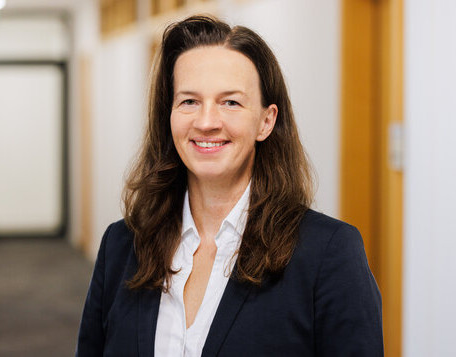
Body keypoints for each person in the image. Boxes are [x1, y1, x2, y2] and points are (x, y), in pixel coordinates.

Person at [76, 15, 383, 356]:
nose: (207, 122)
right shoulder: (121, 246)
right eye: (189, 101)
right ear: (170, 116)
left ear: (266, 121)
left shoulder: (328, 253)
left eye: (230, 102)